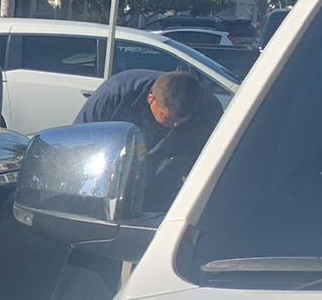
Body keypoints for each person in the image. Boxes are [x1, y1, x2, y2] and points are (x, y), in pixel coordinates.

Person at [73, 67, 220, 208]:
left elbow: (209, 165)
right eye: (167, 119)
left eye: (181, 121)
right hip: (109, 181)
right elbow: (80, 142)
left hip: (162, 188)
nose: (175, 125)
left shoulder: (209, 109)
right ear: (151, 98)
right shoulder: (115, 94)